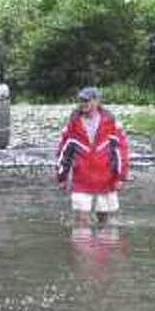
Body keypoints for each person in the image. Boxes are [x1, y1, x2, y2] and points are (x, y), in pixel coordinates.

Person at [56, 85, 129, 225]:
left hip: (106, 178)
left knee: (105, 223)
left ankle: (103, 243)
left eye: (87, 100)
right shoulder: (72, 125)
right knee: (81, 222)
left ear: (97, 102)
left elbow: (122, 152)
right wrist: (62, 177)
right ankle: (83, 244)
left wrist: (121, 177)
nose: (83, 104)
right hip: (81, 179)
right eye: (81, 100)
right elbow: (63, 153)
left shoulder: (112, 124)